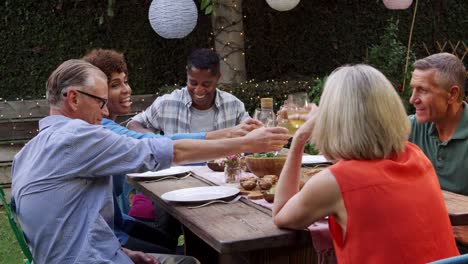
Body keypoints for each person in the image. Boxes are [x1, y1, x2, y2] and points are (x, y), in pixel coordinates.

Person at [11, 59, 289, 264]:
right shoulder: (77, 135)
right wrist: (248, 144)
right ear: (73, 98)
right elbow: (164, 150)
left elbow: (67, 224)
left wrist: (122, 251)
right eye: (100, 102)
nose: (105, 111)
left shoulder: (27, 152)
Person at [272, 64, 459, 263]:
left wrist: (299, 139)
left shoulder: (335, 182)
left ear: (334, 118)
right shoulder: (415, 155)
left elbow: (281, 214)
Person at [127, 48, 250, 136]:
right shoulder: (166, 103)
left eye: (206, 84)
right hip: (177, 172)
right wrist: (157, 141)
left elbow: (252, 131)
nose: (199, 90)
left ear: (217, 78)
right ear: (187, 74)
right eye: (193, 83)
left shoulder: (233, 105)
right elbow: (133, 124)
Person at [407, 53, 467, 196]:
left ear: (452, 94)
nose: (412, 99)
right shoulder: (410, 127)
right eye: (413, 89)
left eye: (423, 90)